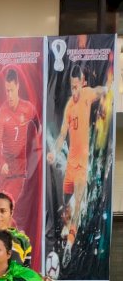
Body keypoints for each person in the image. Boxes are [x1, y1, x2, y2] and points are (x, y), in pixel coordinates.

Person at [47, 64, 107, 261]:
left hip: (82, 166)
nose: (74, 91)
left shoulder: (88, 94)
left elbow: (100, 91)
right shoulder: (69, 106)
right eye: (71, 87)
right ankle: (67, 230)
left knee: (78, 204)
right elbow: (63, 133)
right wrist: (54, 152)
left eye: (77, 87)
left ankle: (69, 246)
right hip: (70, 168)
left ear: (83, 84)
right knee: (65, 207)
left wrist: (108, 90)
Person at [0, 68, 42, 217]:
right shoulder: (2, 112)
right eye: (7, 91)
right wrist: (2, 163)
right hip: (6, 171)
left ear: (18, 87)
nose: (9, 95)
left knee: (8, 207)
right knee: (4, 208)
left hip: (20, 170)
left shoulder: (27, 108)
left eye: (11, 90)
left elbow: (38, 126)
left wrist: (35, 145)